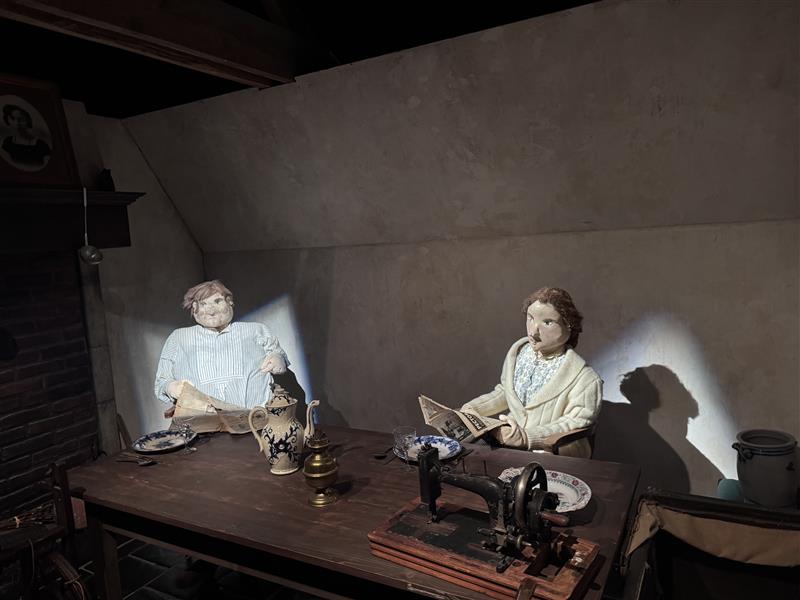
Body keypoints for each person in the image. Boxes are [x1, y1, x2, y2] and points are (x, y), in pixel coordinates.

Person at [460, 287, 601, 458]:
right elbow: (506, 392)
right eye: (530, 318)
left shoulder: (587, 379)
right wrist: (472, 409)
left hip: (555, 452)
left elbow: (573, 422)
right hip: (511, 442)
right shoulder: (519, 353)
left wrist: (527, 437)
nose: (533, 331)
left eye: (547, 322)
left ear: (569, 326)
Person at [154, 280, 289, 416]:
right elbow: (162, 381)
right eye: (203, 304)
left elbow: (277, 352)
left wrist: (278, 358)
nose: (211, 310)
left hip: (256, 419)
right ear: (194, 308)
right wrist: (171, 387)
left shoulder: (256, 330)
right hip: (201, 422)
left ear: (229, 302)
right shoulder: (179, 338)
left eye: (217, 301)